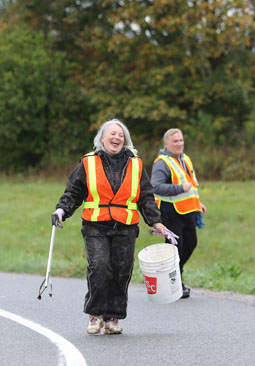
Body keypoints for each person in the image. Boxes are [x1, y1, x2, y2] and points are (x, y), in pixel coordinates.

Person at [52, 118, 170, 335]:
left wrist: (156, 221)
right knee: (99, 267)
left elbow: (146, 196)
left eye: (120, 135)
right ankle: (95, 314)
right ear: (102, 138)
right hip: (95, 224)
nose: (117, 137)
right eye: (112, 134)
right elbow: (74, 191)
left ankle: (113, 317)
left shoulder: (136, 163)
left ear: (124, 141)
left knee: (121, 270)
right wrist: (62, 210)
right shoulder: (88, 162)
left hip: (125, 225)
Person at [151, 128, 206, 299]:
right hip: (170, 211)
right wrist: (179, 188)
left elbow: (191, 186)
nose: (179, 144)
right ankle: (175, 283)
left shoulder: (185, 159)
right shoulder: (162, 162)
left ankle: (172, 277)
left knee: (191, 243)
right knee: (175, 248)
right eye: (175, 141)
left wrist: (198, 203)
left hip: (187, 210)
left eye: (181, 140)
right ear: (166, 144)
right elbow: (155, 186)